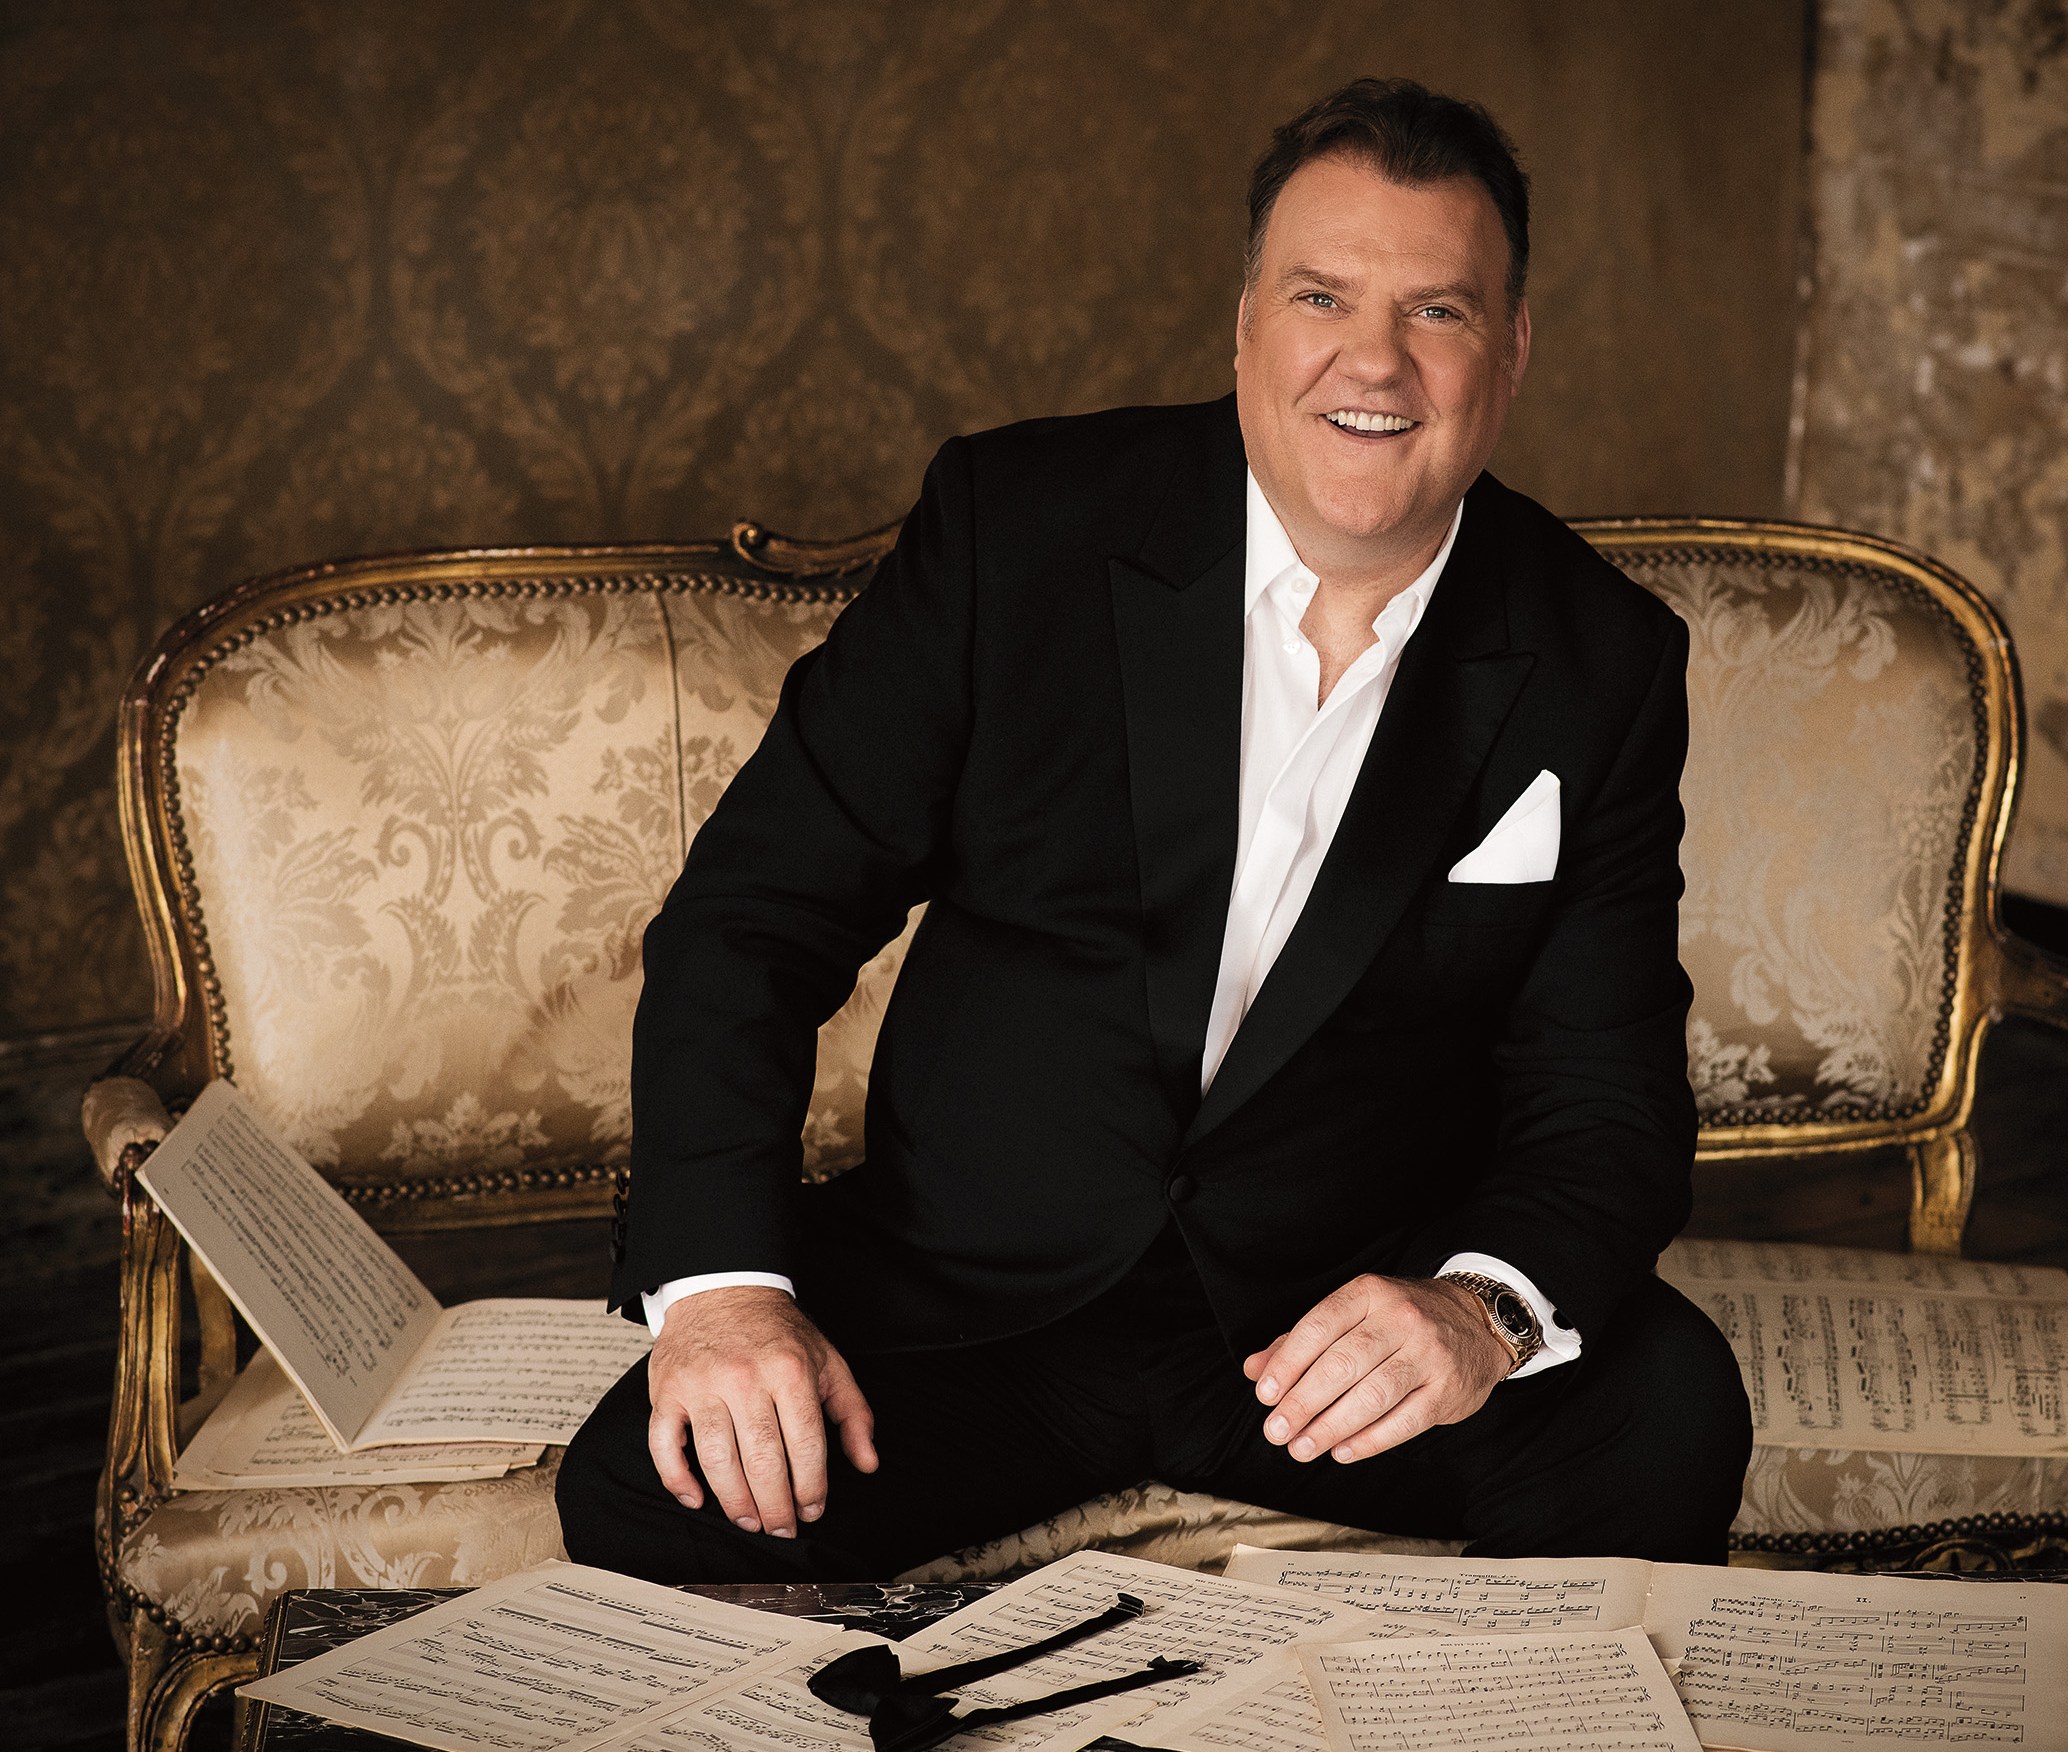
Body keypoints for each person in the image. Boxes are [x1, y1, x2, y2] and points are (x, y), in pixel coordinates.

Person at [557, 76, 1749, 1582]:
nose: (1373, 360)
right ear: (1246, 320)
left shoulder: (1599, 659)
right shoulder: (1020, 528)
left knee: (1664, 1411)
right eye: (1322, 295)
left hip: (1327, 1355)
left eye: (1438, 312)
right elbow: (754, 916)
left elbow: (1606, 1091)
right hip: (975, 1304)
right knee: (646, 1484)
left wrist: (1475, 1311)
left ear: (1508, 351)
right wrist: (725, 1295)